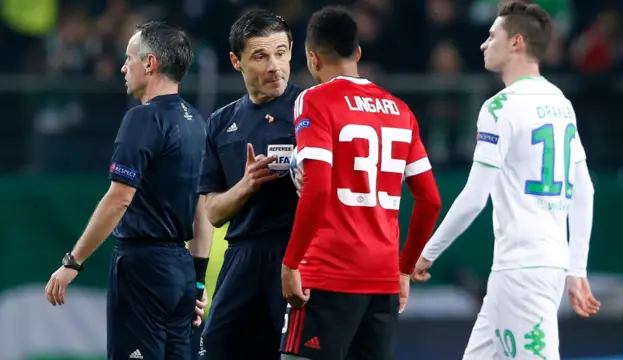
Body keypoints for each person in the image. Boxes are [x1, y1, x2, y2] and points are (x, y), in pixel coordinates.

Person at [411, 2, 601, 359]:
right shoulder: (560, 102)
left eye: (491, 35)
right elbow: (585, 190)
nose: (484, 44)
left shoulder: (499, 107)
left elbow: (474, 197)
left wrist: (427, 252)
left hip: (522, 271)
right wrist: (575, 268)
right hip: (534, 265)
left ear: (516, 42)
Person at [279, 6, 442, 360]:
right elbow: (430, 200)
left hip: (327, 276)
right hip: (382, 279)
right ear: (358, 53)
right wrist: (404, 269)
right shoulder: (401, 111)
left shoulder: (314, 101)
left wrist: (291, 263)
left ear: (312, 58)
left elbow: (318, 187)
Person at [44, 21, 213, 360]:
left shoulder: (142, 119)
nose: (123, 67)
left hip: (142, 267)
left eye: (130, 58)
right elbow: (201, 209)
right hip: (181, 269)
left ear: (150, 63)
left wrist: (73, 262)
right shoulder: (197, 122)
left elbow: (119, 198)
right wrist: (196, 282)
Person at [197, 10, 301, 360]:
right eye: (260, 56)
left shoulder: (312, 109)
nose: (275, 66)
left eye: (281, 52)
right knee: (215, 350)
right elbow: (212, 213)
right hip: (240, 256)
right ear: (236, 61)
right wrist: (245, 185)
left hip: (295, 253)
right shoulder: (221, 122)